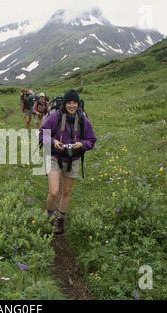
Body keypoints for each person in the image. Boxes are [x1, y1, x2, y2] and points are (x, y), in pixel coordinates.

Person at [39, 89, 97, 234]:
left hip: (73, 159)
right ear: (64, 104)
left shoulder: (83, 119)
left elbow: (91, 140)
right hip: (54, 157)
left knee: (65, 192)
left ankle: (60, 221)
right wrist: (53, 142)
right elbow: (42, 135)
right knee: (53, 192)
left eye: (74, 103)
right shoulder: (54, 117)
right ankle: (50, 218)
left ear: (78, 104)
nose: (71, 106)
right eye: (69, 103)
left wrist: (81, 144)